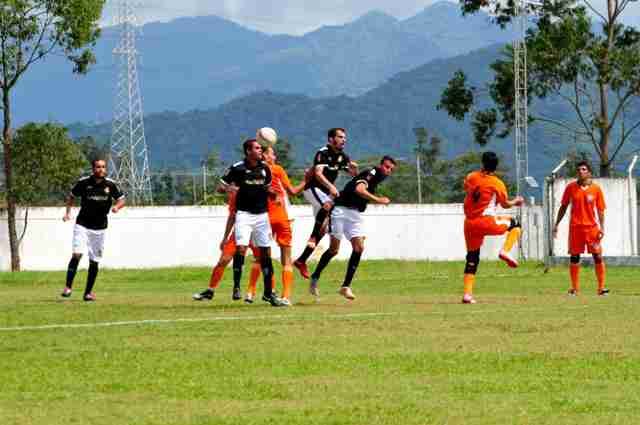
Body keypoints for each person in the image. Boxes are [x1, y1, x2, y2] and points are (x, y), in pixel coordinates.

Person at [308, 156, 396, 300]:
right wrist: (379, 200)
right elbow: (359, 189)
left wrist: (358, 178)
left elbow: (359, 187)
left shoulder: (375, 178)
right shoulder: (373, 172)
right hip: (340, 210)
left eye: (391, 169)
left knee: (359, 247)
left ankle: (345, 287)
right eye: (387, 167)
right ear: (380, 165)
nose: (388, 171)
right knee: (334, 250)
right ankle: (315, 277)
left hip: (354, 213)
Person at [218, 139, 283, 307]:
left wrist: (273, 195)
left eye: (261, 148)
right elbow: (220, 186)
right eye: (257, 148)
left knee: (266, 253)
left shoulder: (265, 168)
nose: (260, 150)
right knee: (241, 248)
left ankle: (269, 294)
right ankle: (237, 286)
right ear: (248, 151)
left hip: (262, 216)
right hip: (244, 215)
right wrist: (230, 189)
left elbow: (266, 187)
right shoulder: (237, 168)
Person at [294, 128, 358, 290]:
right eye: (340, 137)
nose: (343, 140)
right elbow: (317, 173)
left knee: (323, 229)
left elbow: (352, 174)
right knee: (328, 205)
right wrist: (331, 187)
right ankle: (313, 237)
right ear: (331, 139)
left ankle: (301, 260)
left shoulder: (343, 156)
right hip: (313, 189)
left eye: (344, 137)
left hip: (324, 194)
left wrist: (354, 170)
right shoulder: (322, 152)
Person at [245, 144, 307, 306]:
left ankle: (259, 292)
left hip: (264, 219)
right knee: (286, 259)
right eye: (272, 154)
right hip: (281, 218)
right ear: (265, 156)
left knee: (262, 258)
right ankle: (286, 296)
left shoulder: (253, 172)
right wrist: (307, 180)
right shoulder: (277, 169)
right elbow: (293, 191)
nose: (274, 157)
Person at [462, 151, 523, 304]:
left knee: (472, 257)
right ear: (496, 166)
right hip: (486, 221)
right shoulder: (497, 183)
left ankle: (467, 294)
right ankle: (505, 251)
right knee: (515, 224)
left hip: (469, 223)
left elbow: (467, 188)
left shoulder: (471, 176)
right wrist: (516, 201)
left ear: (482, 163)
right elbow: (504, 204)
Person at [61, 159, 125, 301]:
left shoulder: (110, 184)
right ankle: (68, 287)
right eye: (98, 167)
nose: (101, 169)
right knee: (77, 254)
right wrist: (67, 213)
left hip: (100, 228)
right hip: (82, 224)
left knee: (94, 260)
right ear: (93, 168)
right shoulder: (84, 183)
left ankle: (88, 293)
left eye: (103, 167)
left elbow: (122, 199)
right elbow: (72, 196)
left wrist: (116, 207)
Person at [191, 191, 260, 301]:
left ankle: (255, 292)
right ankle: (210, 290)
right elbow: (232, 217)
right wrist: (225, 238)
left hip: (256, 233)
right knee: (223, 260)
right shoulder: (235, 196)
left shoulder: (260, 192)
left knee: (263, 260)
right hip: (238, 233)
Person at [553, 161, 608, 296]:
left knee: (598, 256)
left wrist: (602, 228)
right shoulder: (571, 188)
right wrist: (556, 224)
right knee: (574, 257)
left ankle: (601, 288)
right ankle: (574, 289)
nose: (580, 171)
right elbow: (564, 206)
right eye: (578, 170)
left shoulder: (596, 189)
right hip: (576, 228)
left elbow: (600, 210)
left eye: (583, 169)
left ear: (589, 172)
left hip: (592, 228)